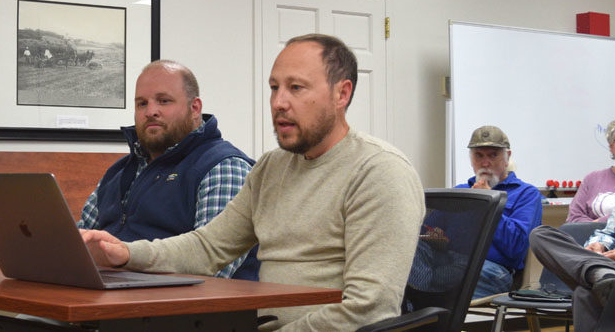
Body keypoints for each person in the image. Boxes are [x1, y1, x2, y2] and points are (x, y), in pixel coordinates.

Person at [81, 34, 425, 331]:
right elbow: (207, 248)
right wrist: (125, 253)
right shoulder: (272, 167)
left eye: (296, 88)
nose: (279, 102)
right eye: (275, 88)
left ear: (342, 94)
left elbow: (369, 309)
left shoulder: (380, 171)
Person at [76, 59, 258, 280]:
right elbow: (77, 244)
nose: (151, 111)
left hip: (180, 308)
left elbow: (214, 271)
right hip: (103, 295)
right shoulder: (118, 172)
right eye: (142, 104)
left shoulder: (224, 167)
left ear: (195, 108)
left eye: (164, 101)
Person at [530, 168, 615, 331]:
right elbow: (610, 231)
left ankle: (599, 275)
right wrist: (599, 245)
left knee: (585, 292)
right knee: (541, 235)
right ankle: (600, 273)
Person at [455, 125, 542, 298]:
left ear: (507, 157)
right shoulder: (460, 191)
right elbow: (435, 236)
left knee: (443, 284)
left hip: (493, 271)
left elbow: (516, 247)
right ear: (471, 159)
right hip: (450, 264)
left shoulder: (526, 194)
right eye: (479, 155)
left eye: (493, 155)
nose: (485, 163)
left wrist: (488, 202)